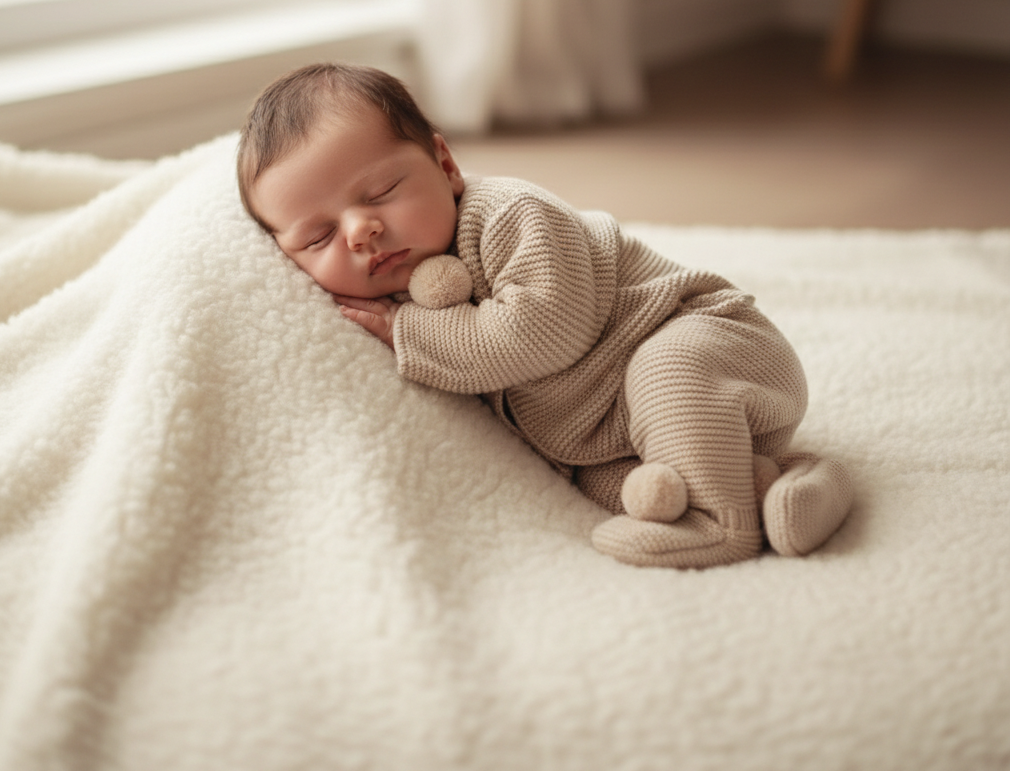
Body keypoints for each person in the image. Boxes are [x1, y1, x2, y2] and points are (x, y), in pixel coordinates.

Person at [237, 62, 853, 569]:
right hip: (642, 432)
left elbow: (541, 333)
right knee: (605, 484)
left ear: (446, 166)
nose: (360, 231)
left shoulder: (509, 215)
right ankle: (789, 486)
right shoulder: (385, 290)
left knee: (667, 367)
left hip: (715, 349)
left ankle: (721, 525)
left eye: (380, 194)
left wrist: (408, 330)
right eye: (318, 237)